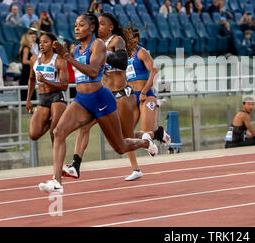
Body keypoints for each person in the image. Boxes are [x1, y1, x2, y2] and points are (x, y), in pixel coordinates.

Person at [37, 13, 162, 194]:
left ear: (92, 28)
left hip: (101, 99)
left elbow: (94, 71)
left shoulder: (99, 45)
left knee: (120, 146)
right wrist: (60, 53)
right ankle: (57, 181)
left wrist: (68, 57)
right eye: (75, 25)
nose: (77, 28)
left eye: (81, 25)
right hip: (82, 100)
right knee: (58, 132)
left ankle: (145, 143)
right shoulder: (78, 49)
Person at [122, 25, 167, 180]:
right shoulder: (123, 56)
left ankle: (156, 133)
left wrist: (143, 91)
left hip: (145, 95)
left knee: (145, 133)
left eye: (131, 37)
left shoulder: (141, 52)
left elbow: (154, 72)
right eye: (125, 37)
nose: (128, 40)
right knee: (126, 135)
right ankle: (136, 170)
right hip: (130, 97)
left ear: (136, 39)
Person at [26, 33, 68, 143]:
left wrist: (45, 81)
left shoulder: (59, 60)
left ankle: (57, 160)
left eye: (45, 42)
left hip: (57, 97)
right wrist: (28, 99)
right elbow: (31, 79)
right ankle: (56, 120)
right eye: (40, 42)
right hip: (43, 98)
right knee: (33, 134)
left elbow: (64, 86)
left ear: (53, 44)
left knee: (54, 133)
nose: (41, 45)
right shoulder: (34, 59)